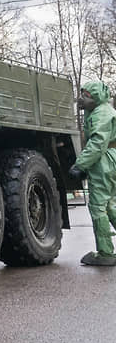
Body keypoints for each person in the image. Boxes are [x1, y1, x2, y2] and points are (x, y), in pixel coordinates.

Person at [70, 81, 116, 266]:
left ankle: (105, 253)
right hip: (109, 160)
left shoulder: (101, 113)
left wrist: (80, 165)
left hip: (104, 161)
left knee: (98, 207)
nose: (81, 98)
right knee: (110, 205)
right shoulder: (101, 110)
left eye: (86, 95)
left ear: (95, 96)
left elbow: (98, 143)